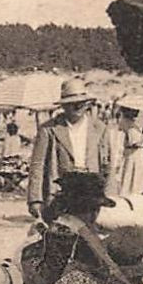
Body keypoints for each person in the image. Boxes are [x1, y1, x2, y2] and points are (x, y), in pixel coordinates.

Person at [27, 78, 110, 219]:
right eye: (72, 104)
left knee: (88, 235)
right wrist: (35, 199)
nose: (78, 107)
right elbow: (37, 166)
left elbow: (107, 166)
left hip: (90, 195)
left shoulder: (99, 128)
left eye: (81, 103)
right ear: (64, 106)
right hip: (60, 194)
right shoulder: (49, 129)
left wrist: (109, 194)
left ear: (87, 104)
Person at [108, 105, 143, 196]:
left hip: (137, 153)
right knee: (131, 177)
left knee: (135, 178)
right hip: (134, 153)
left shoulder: (132, 123)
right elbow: (134, 142)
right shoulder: (128, 123)